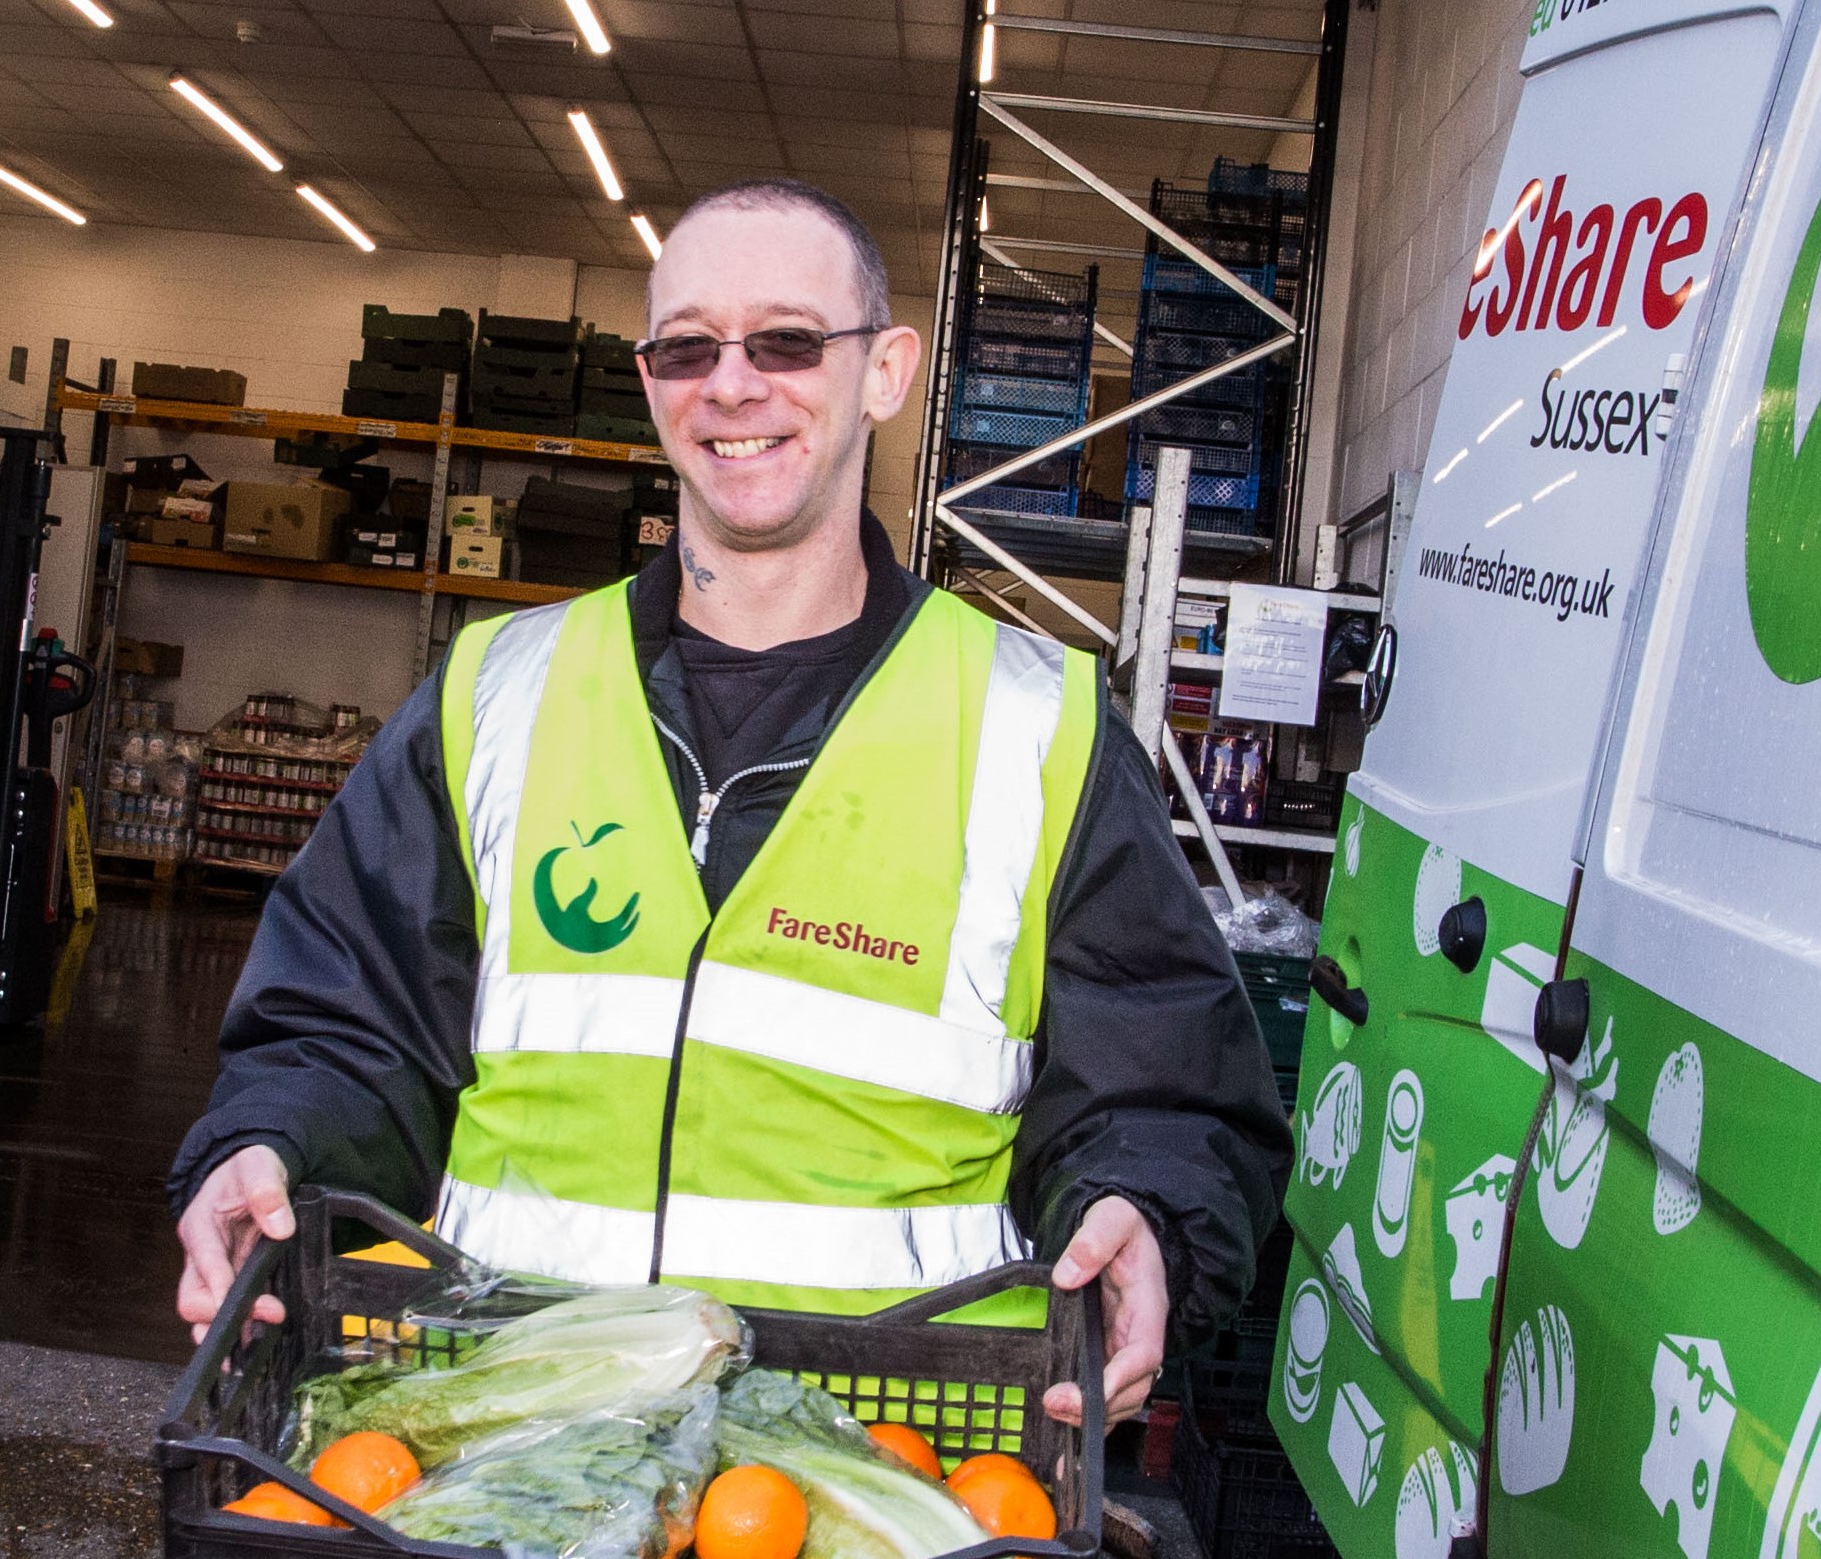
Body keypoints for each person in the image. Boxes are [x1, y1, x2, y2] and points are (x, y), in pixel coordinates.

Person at [170, 177, 1291, 1427]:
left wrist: (1145, 1211)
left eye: (788, 342)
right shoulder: (498, 693)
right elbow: (350, 1021)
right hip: (515, 1444)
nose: (734, 382)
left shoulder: (1039, 728)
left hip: (881, 1466)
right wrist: (265, 1141)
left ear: (887, 372)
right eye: (689, 345)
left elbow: (1163, 1089)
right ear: (651, 381)